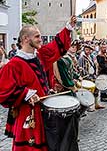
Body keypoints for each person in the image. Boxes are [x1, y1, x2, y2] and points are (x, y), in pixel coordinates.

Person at [0, 16, 76, 151]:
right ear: (25, 39)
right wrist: (26, 94)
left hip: (43, 113)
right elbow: (3, 93)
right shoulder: (13, 65)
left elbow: (56, 48)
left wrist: (68, 28)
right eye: (37, 36)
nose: (41, 39)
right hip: (27, 116)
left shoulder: (40, 55)